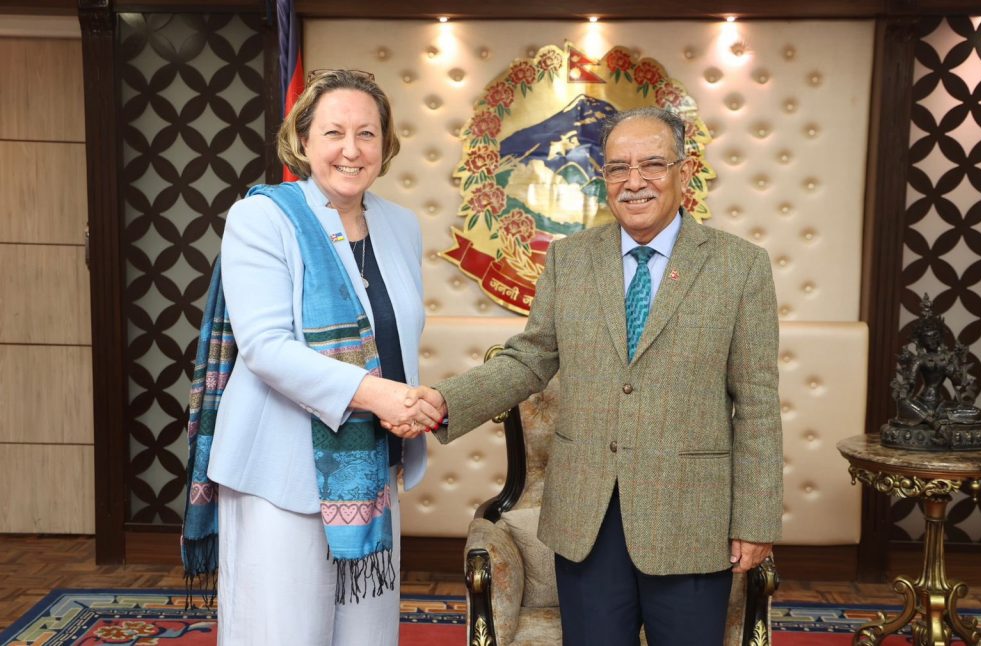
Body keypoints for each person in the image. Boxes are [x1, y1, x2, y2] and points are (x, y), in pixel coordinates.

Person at [406, 107, 783, 645]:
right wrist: (444, 402)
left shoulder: (738, 266)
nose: (634, 182)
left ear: (685, 169)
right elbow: (529, 358)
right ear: (602, 176)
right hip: (586, 517)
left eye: (652, 164)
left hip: (690, 516)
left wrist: (756, 520)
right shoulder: (570, 260)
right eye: (617, 168)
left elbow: (758, 403)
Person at [183, 69, 442, 646]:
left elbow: (395, 341)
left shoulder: (401, 225)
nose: (351, 150)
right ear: (301, 141)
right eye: (333, 133)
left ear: (386, 143)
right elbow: (266, 348)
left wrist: (407, 404)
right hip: (279, 473)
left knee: (368, 636)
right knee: (284, 634)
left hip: (371, 467)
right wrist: (382, 397)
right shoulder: (263, 218)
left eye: (367, 134)